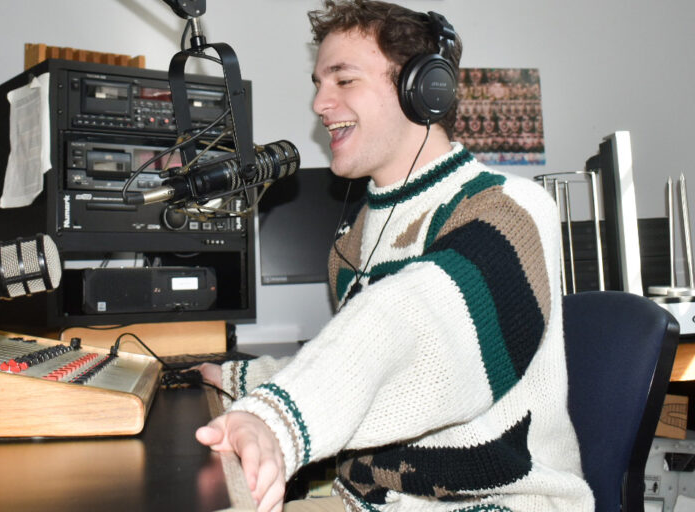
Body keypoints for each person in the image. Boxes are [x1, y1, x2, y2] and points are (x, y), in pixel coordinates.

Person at [194, 1, 595, 511]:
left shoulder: (511, 210)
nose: (320, 103)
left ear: (422, 89)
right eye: (318, 84)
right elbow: (369, 369)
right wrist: (240, 377)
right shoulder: (353, 238)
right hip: (374, 502)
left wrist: (277, 421)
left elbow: (416, 321)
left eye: (343, 80)